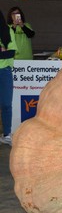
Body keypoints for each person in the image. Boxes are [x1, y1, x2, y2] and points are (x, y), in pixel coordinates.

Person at [0, 10, 17, 146]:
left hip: (4, 71)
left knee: (6, 104)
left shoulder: (8, 31)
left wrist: (4, 52)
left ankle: (6, 134)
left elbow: (10, 53)